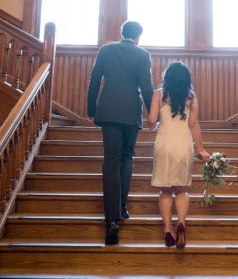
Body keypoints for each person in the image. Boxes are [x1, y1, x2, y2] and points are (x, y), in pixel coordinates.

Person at [86, 21, 154, 245]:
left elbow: (94, 80)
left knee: (111, 161)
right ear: (138, 36)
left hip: (109, 111)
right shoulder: (143, 55)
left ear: (122, 33)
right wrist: (154, 115)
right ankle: (121, 208)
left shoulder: (106, 50)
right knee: (127, 159)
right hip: (130, 113)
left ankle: (111, 220)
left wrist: (92, 109)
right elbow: (146, 87)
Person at [147, 62, 210, 249]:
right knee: (182, 190)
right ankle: (181, 223)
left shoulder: (159, 94)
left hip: (164, 145)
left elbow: (151, 120)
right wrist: (201, 149)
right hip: (183, 146)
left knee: (165, 190)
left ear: (167, 77)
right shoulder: (191, 97)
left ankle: (167, 229)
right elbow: (193, 124)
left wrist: (154, 125)